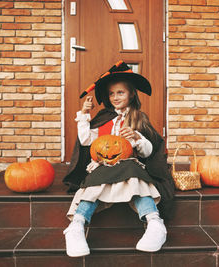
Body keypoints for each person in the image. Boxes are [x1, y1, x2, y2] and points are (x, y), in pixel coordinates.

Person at [62, 61, 174, 257]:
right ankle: (77, 226)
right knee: (93, 185)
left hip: (130, 165)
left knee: (136, 179)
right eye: (111, 93)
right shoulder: (104, 117)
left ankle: (155, 223)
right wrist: (85, 114)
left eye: (120, 93)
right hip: (104, 164)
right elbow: (86, 140)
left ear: (131, 94)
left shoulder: (139, 118)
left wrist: (137, 138)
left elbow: (149, 151)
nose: (115, 97)